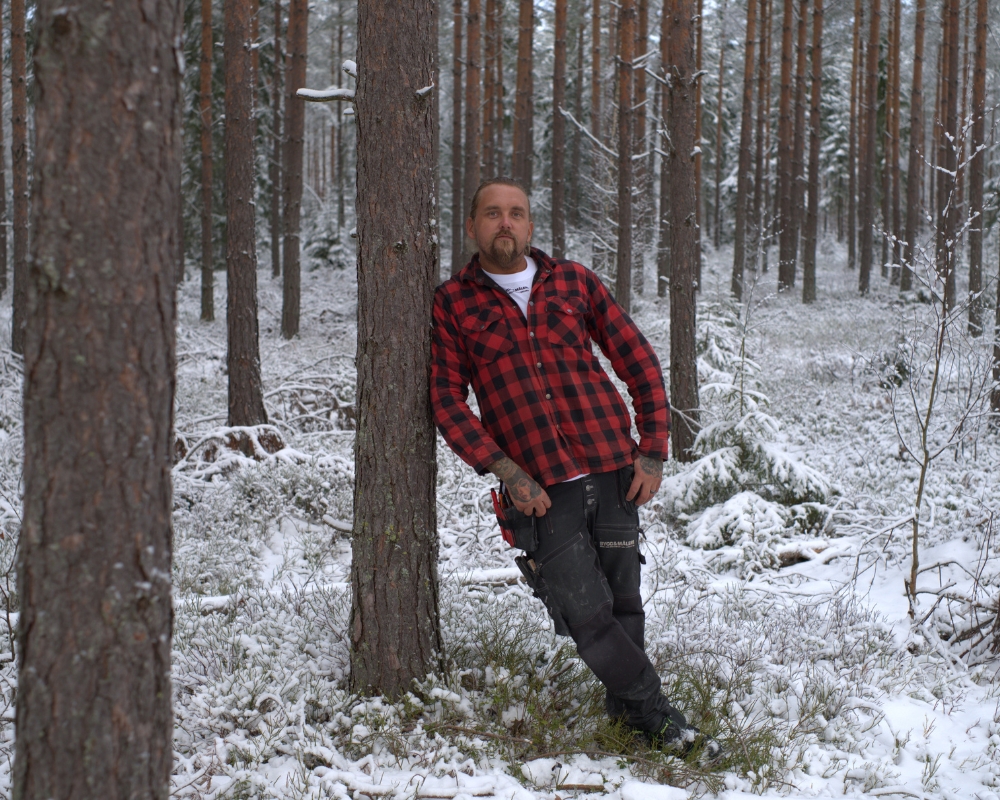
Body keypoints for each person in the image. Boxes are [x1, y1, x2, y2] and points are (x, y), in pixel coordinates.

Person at [430, 177, 721, 761]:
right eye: (493, 213)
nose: (505, 223)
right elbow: (446, 401)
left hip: (613, 469)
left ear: (530, 225)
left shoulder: (575, 282)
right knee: (585, 614)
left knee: (625, 603)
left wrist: (653, 449)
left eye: (516, 213)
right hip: (539, 489)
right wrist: (507, 471)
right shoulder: (453, 302)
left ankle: (629, 715)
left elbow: (638, 360)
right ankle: (657, 716)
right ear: (472, 226)